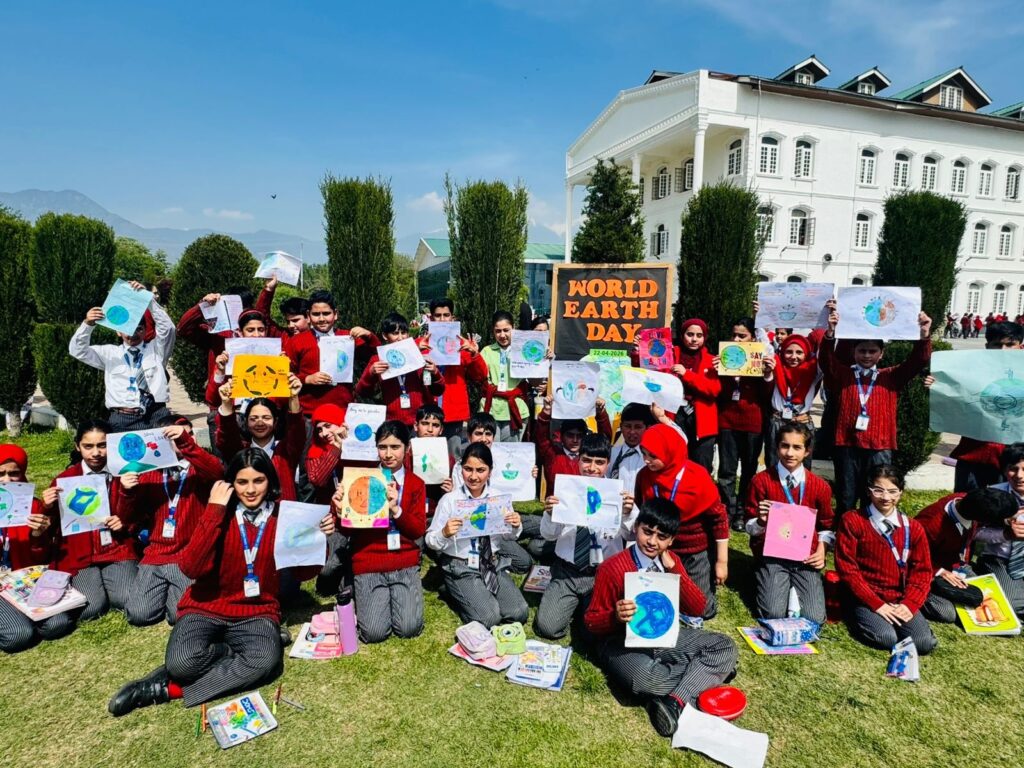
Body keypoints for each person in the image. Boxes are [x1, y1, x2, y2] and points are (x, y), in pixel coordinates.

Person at [107, 449, 334, 716]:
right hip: (205, 606)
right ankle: (234, 651)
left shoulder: (284, 517)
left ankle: (164, 689)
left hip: (256, 610)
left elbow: (302, 573)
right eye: (242, 482)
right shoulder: (215, 511)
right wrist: (214, 511)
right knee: (182, 663)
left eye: (258, 481)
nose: (251, 490)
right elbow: (191, 567)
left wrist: (319, 539)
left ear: (270, 482)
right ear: (230, 484)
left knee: (265, 661)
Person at [583, 497, 738, 737]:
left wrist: (675, 570)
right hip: (620, 642)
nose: (652, 542)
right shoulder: (612, 568)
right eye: (647, 532)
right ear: (636, 527)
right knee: (646, 680)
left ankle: (674, 702)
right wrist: (615, 616)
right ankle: (707, 674)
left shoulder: (671, 562)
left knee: (725, 646)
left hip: (663, 637)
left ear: (671, 540)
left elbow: (698, 608)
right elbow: (591, 622)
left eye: (662, 537)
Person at [820, 302, 932, 513]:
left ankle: (871, 528)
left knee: (875, 494)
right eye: (862, 351)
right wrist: (830, 334)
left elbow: (918, 361)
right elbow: (826, 361)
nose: (867, 355)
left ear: (881, 354)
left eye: (872, 351)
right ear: (854, 352)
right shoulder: (843, 374)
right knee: (846, 495)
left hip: (879, 446)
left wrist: (924, 335)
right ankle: (845, 528)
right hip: (847, 444)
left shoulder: (891, 376)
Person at [118, 417, 224, 626]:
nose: (185, 439)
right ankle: (165, 591)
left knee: (180, 614)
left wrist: (185, 443)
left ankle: (174, 593)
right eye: (174, 437)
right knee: (139, 614)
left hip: (189, 553)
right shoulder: (149, 472)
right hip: (156, 553)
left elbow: (217, 472)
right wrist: (127, 492)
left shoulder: (199, 468)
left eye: (189, 434)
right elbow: (127, 518)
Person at [535, 433, 636, 640]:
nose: (592, 468)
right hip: (567, 571)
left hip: (602, 574)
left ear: (608, 463)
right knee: (548, 627)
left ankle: (584, 612)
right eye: (586, 460)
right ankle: (570, 605)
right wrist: (550, 514)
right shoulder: (566, 491)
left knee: (593, 632)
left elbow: (632, 534)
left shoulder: (618, 494)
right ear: (578, 460)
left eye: (599, 462)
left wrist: (628, 513)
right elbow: (548, 535)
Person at [334, 421, 426, 643]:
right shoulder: (361, 479)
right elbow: (346, 530)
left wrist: (396, 510)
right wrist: (339, 511)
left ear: (407, 448)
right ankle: (352, 584)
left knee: (409, 628)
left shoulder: (415, 483)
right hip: (369, 560)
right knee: (374, 633)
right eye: (382, 447)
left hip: (403, 561)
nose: (388, 454)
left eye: (395, 447)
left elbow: (417, 530)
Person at [41, 420, 138, 622]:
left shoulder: (124, 474)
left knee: (128, 598)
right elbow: (51, 528)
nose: (96, 453)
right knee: (91, 608)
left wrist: (125, 523)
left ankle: (111, 585)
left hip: (116, 548)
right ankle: (97, 588)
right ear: (77, 446)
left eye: (102, 445)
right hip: (80, 554)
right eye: (88, 446)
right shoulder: (65, 479)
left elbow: (142, 516)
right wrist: (48, 507)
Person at [834, 465, 937, 654]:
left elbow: (922, 572)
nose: (886, 497)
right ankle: (854, 615)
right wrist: (877, 604)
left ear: (901, 492)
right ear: (869, 491)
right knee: (886, 638)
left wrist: (909, 604)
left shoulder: (914, 528)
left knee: (922, 643)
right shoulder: (853, 520)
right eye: (878, 490)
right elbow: (847, 568)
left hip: (899, 598)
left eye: (892, 491)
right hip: (865, 596)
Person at [424, 443, 528, 627]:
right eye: (468, 469)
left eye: (480, 470)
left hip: (491, 563)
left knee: (518, 612)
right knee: (489, 618)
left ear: (490, 471)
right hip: (461, 565)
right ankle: (453, 588)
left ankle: (474, 593)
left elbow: (509, 537)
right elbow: (430, 540)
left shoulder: (498, 498)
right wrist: (444, 533)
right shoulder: (450, 500)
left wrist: (515, 525)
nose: (473, 476)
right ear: (461, 469)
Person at [744, 421, 834, 624]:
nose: (790, 453)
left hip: (805, 557)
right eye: (785, 446)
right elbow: (749, 526)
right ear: (777, 448)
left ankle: (795, 587)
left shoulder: (820, 486)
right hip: (772, 555)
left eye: (797, 447)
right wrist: (761, 521)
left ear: (807, 451)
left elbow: (826, 526)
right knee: (773, 614)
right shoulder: (761, 481)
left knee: (814, 618)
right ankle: (767, 578)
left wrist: (821, 550)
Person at [634, 424, 726, 618]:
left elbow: (719, 519)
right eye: (644, 454)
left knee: (702, 610)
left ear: (669, 452)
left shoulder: (698, 477)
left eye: (653, 456)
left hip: (693, 550)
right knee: (650, 601)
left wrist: (721, 561)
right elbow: (642, 509)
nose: (646, 460)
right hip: (657, 548)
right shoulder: (644, 476)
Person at [69, 281, 175, 430]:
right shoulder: (109, 353)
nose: (133, 334)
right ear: (118, 332)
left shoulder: (157, 350)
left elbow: (168, 329)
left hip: (156, 414)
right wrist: (88, 324)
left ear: (145, 331)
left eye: (139, 329)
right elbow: (77, 350)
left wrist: (148, 300)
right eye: (128, 330)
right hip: (122, 418)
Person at [0, 444, 75, 652]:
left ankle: (18, 613)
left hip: (22, 578)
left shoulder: (32, 506)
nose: (7, 480)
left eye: (14, 473)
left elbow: (41, 558)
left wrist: (38, 535)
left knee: (58, 624)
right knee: (19, 635)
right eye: (1, 474)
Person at [916, 488, 1018, 623]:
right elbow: (910, 555)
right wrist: (938, 571)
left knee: (987, 595)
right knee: (947, 613)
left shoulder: (967, 501)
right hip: (926, 570)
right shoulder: (931, 524)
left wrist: (1008, 521)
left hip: (957, 565)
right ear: (984, 520)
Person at [945, 321, 1023, 492]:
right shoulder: (969, 372)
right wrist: (938, 386)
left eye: (1010, 344)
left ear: (1020, 347)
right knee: (968, 502)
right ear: (987, 347)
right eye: (997, 345)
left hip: (1012, 456)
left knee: (1009, 503)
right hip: (974, 451)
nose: (1003, 350)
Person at [284, 289, 380, 417]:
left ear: (335, 314)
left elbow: (377, 355)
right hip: (309, 413)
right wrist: (307, 379)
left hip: (342, 411)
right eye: (316, 314)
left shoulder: (348, 337)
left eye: (326, 313)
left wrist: (369, 336)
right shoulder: (296, 341)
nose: (321, 319)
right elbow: (286, 375)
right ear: (308, 315)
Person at [216, 375, 305, 502]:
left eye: (266, 418)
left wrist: (293, 397)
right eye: (253, 418)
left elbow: (296, 431)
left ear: (275, 422)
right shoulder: (241, 451)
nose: (260, 423)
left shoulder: (285, 452)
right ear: (246, 422)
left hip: (282, 513)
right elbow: (226, 437)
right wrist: (226, 403)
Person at [714, 317, 767, 531]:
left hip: (753, 423)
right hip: (728, 420)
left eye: (742, 336)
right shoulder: (725, 358)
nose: (736, 339)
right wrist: (719, 371)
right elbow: (717, 392)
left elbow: (767, 394)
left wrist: (767, 373)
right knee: (726, 470)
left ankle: (743, 511)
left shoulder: (759, 360)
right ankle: (727, 509)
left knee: (748, 470)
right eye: (734, 335)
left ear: (752, 338)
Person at [417, 298, 488, 455]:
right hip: (427, 411)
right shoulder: (420, 344)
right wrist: (415, 349)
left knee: (453, 456)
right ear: (430, 318)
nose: (442, 319)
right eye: (438, 316)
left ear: (452, 318)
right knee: (425, 456)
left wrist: (474, 353)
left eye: (446, 315)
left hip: (453, 411)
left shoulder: (462, 344)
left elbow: (481, 376)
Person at [355, 312, 444, 426]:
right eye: (395, 333)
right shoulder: (378, 359)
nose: (400, 338)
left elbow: (438, 391)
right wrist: (371, 373)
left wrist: (435, 373)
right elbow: (361, 391)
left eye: (404, 333)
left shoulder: (419, 357)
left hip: (421, 422)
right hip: (392, 422)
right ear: (385, 336)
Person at [973, 443, 1024, 617]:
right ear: (1004, 471)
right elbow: (974, 533)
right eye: (1013, 469)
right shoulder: (992, 494)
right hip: (999, 558)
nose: (1019, 476)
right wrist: (1005, 534)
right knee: (1010, 604)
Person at [762, 334, 822, 471]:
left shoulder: (813, 370)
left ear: (806, 354)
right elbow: (764, 344)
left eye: (799, 352)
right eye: (789, 352)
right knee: (774, 465)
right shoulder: (775, 366)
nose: (793, 356)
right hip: (778, 422)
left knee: (802, 468)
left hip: (802, 422)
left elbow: (824, 353)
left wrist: (828, 331)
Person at [671, 318, 720, 472]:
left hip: (703, 421)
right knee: (675, 463)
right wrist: (638, 351)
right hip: (675, 415)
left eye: (699, 335)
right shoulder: (670, 354)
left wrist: (687, 374)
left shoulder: (712, 361)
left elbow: (713, 389)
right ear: (682, 335)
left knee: (701, 467)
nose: (694, 339)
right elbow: (650, 370)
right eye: (690, 334)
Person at [535, 393, 612, 489]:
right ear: (561, 436)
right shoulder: (551, 454)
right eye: (570, 435)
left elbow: (604, 441)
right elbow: (541, 437)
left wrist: (601, 413)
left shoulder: (590, 458)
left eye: (579, 436)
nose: (575, 440)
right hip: (555, 499)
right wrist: (546, 411)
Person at [478, 310, 532, 442]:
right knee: (489, 450)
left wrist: (543, 358)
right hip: (491, 409)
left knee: (510, 452)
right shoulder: (487, 351)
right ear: (493, 331)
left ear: (513, 328)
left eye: (506, 330)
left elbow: (535, 381)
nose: (502, 335)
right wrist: (474, 356)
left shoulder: (523, 351)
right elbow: (478, 377)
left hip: (515, 409)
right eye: (498, 331)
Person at [608, 403, 660, 496]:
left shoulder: (654, 457)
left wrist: (663, 418)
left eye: (638, 427)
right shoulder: (611, 453)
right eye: (628, 426)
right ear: (621, 427)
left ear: (648, 428)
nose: (632, 432)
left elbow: (681, 441)